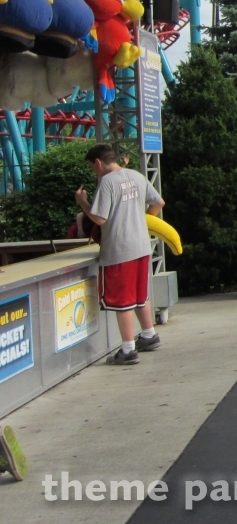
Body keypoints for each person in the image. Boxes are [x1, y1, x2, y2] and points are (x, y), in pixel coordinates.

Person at [74, 144, 164, 365]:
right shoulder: (137, 175)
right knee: (139, 295)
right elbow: (158, 203)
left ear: (98, 162)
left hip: (118, 249)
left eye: (92, 167)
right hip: (141, 246)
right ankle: (149, 334)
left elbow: (99, 218)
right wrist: (140, 219)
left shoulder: (107, 182)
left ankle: (127, 349)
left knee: (122, 301)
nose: (93, 172)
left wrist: (82, 202)